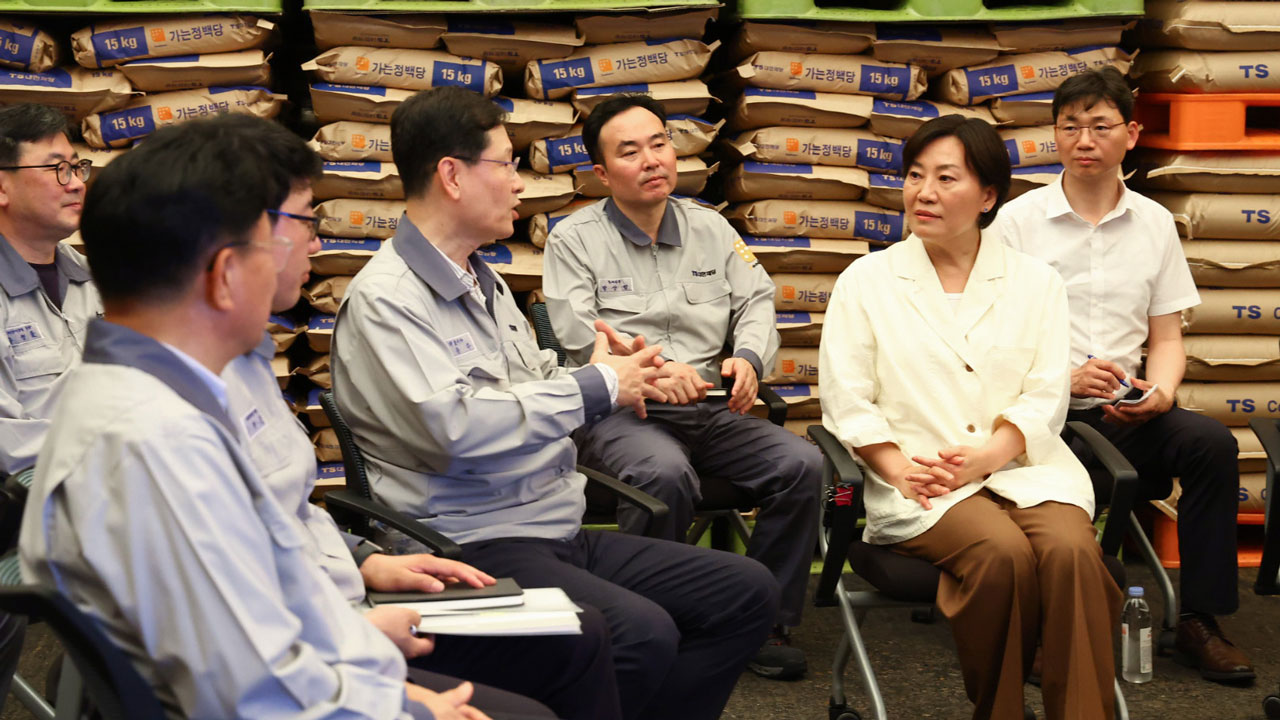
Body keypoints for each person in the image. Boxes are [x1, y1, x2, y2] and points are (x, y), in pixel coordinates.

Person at [18, 115, 496, 720]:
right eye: (295, 228)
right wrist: (406, 707)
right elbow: (254, 694)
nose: (313, 246)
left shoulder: (162, 400)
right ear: (224, 275)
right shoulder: (158, 442)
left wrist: (365, 653)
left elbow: (267, 590)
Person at [331, 85, 780, 720]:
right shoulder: (388, 302)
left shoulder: (479, 279)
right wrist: (596, 387)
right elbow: (455, 427)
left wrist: (604, 367)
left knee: (745, 592)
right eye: (506, 165)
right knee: (639, 632)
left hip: (552, 526)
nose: (519, 184)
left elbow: (531, 376)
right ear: (453, 176)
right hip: (473, 541)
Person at [220, 113, 618, 720]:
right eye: (303, 223)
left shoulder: (243, 363)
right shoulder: (385, 300)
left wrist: (361, 559)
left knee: (720, 597)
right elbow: (212, 637)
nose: (318, 244)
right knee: (600, 640)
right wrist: (381, 675)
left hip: (531, 516)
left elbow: (286, 519)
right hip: (472, 533)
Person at [819, 115, 1121, 720]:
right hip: (919, 479)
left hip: (1024, 467)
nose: (923, 192)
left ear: (987, 196)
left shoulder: (1036, 284)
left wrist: (989, 455)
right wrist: (898, 469)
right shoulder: (868, 281)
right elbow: (847, 400)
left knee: (1071, 552)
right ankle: (999, 709)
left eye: (945, 178)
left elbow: (1044, 396)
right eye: (914, 176)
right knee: (1000, 553)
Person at [541, 94, 821, 679]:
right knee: (661, 475)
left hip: (709, 409)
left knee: (802, 465)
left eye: (660, 143)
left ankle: (763, 618)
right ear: (601, 172)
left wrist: (746, 358)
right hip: (625, 413)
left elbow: (757, 301)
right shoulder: (574, 240)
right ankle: (657, 624)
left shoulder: (711, 228)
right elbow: (577, 336)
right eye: (630, 151)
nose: (651, 160)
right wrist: (654, 371)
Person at [992, 67, 1254, 683]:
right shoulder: (1017, 222)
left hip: (1127, 412)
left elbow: (1166, 337)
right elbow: (990, 340)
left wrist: (1160, 393)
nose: (1085, 140)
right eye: (1070, 127)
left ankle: (1199, 620)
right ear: (1053, 135)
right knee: (1051, 494)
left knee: (1211, 444)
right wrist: (1062, 377)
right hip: (1041, 416)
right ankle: (1037, 628)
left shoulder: (1155, 224)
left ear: (1131, 134)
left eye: (1100, 126)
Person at [0, 102, 100, 713]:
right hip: (24, 516)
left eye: (78, 166)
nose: (76, 181)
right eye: (56, 168)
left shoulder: (93, 279)